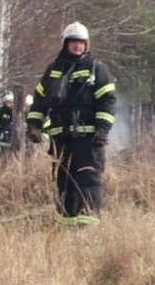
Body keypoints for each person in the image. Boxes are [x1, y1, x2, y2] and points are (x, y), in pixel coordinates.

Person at [27, 22, 118, 226]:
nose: (78, 46)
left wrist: (102, 131)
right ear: (66, 44)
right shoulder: (54, 70)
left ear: (87, 44)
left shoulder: (96, 69)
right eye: (73, 42)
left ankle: (87, 227)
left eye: (81, 43)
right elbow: (40, 100)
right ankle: (66, 226)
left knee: (88, 179)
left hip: (88, 139)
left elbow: (108, 101)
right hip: (61, 138)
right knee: (63, 181)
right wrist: (34, 124)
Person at [0, 91, 16, 157]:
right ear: (4, 103)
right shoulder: (1, 112)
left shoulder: (18, 112)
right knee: (5, 161)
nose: (10, 104)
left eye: (11, 102)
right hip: (5, 143)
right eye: (8, 102)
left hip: (17, 144)